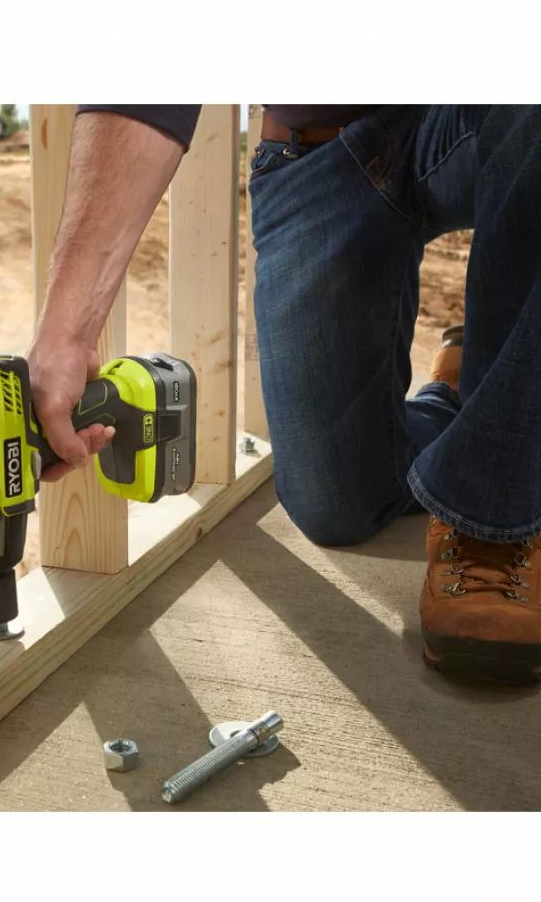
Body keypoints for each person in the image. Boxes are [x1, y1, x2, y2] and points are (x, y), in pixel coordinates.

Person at [27, 105, 541, 684]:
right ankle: (466, 393)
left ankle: (490, 520)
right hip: (321, 145)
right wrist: (66, 334)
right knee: (337, 506)